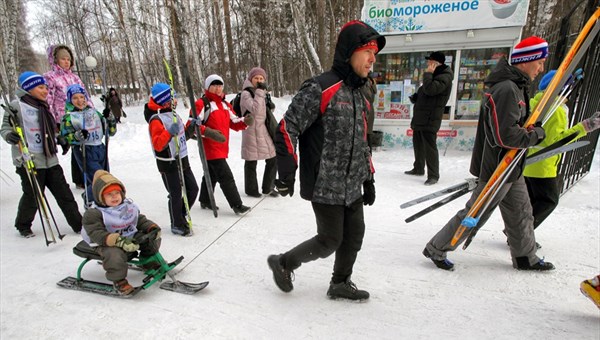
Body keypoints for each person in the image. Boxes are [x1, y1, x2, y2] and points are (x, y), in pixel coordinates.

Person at [267, 20, 385, 301]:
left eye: (375, 54)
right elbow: (287, 127)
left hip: (353, 183)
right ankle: (283, 262)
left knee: (355, 236)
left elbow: (362, 141)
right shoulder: (320, 87)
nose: (372, 59)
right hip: (325, 184)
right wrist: (287, 169)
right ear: (350, 52)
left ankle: (340, 283)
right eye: (367, 51)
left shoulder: (362, 93)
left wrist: (368, 177)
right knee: (330, 239)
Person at [423, 36, 555, 271]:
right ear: (528, 60)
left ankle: (526, 257)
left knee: (522, 212)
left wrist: (530, 129)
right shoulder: (506, 89)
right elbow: (505, 136)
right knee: (476, 214)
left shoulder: (517, 87)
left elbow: (515, 126)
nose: (541, 68)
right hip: (498, 167)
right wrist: (536, 136)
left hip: (511, 166)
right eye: (540, 62)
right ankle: (437, 247)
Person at [1, 71, 82, 237]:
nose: (45, 91)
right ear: (28, 89)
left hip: (50, 158)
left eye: (45, 87)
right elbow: (5, 128)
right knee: (33, 195)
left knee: (64, 193)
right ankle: (23, 224)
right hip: (28, 159)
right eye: (40, 87)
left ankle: (78, 224)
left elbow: (50, 129)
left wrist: (60, 139)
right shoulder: (16, 107)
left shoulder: (45, 106)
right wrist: (9, 135)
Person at [523, 70, 600, 240]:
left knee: (531, 202)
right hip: (542, 165)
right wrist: (584, 127)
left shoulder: (537, 103)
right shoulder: (555, 110)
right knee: (548, 201)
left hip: (528, 163)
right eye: (572, 88)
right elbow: (555, 143)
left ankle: (518, 232)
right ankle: (522, 234)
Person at [81, 170, 162, 295]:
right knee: (114, 254)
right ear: (100, 197)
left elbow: (137, 218)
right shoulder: (93, 213)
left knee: (150, 238)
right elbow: (96, 233)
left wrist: (150, 227)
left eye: (117, 193)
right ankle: (119, 280)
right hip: (104, 242)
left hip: (126, 234)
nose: (114, 197)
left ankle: (148, 261)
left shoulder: (126, 205)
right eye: (109, 194)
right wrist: (118, 241)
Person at [188, 74, 253, 215]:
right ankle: (237, 205)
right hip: (209, 147)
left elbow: (234, 122)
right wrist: (210, 132)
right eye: (214, 85)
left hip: (222, 146)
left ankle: (205, 199)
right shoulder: (201, 104)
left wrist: (245, 121)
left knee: (211, 174)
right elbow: (191, 125)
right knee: (225, 176)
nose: (218, 88)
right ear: (208, 87)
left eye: (220, 85)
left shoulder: (225, 104)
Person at [144, 83, 199, 236]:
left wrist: (191, 126)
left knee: (193, 189)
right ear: (165, 101)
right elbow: (158, 144)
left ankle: (180, 214)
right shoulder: (156, 119)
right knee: (175, 193)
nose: (175, 100)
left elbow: (182, 137)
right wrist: (168, 132)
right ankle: (177, 223)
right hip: (168, 163)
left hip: (183, 159)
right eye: (172, 98)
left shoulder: (174, 115)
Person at [44, 44, 93, 189]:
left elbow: (86, 96)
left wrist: (92, 113)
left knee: (83, 143)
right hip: (63, 117)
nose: (66, 62)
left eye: (68, 59)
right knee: (76, 145)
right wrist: (52, 121)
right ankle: (80, 178)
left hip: (82, 115)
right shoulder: (50, 77)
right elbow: (48, 100)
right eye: (63, 59)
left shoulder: (75, 77)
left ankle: (86, 173)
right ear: (55, 60)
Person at [60, 84, 117, 207]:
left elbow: (110, 131)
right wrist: (76, 136)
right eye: (75, 98)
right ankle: (92, 201)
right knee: (98, 178)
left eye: (82, 97)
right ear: (70, 100)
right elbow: (66, 136)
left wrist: (110, 118)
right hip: (84, 150)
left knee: (105, 176)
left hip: (100, 148)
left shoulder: (94, 112)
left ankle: (95, 197)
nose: (80, 101)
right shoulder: (69, 117)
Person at [405, 51, 453, 186]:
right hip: (422, 116)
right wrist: (417, 97)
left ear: (436, 63)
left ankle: (433, 175)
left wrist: (428, 74)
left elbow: (431, 89)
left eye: (430, 62)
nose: (427, 64)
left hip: (430, 117)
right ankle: (418, 168)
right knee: (418, 144)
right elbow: (426, 91)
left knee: (429, 147)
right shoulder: (436, 75)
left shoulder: (445, 76)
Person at [240, 67, 279, 198]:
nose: (259, 80)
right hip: (251, 131)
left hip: (263, 129)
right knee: (251, 160)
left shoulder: (261, 92)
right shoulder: (246, 94)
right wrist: (260, 92)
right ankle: (251, 189)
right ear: (250, 79)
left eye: (261, 78)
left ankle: (268, 187)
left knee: (273, 157)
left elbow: (265, 111)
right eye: (256, 78)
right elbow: (255, 109)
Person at [361, 73, 377, 149]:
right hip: (367, 111)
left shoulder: (369, 85)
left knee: (367, 134)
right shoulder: (367, 85)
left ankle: (368, 154)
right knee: (367, 134)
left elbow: (370, 97)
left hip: (368, 111)